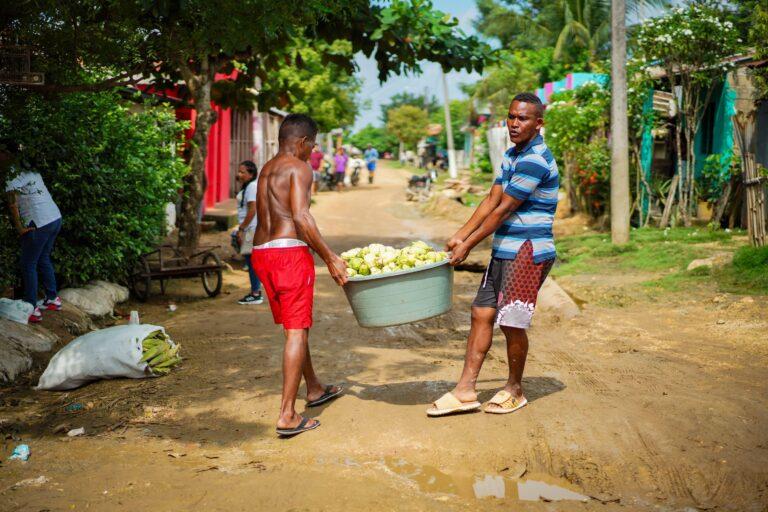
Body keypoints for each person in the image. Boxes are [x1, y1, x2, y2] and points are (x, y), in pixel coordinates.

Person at [427, 93, 558, 417]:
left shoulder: (535, 159)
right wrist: (460, 234)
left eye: (522, 118)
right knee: (481, 314)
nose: (514, 123)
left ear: (538, 123)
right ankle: (465, 391)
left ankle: (515, 389)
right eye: (511, 117)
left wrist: (469, 244)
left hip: (527, 251)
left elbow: (503, 210)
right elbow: (491, 199)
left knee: (511, 322)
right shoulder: (513, 154)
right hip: (504, 248)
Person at [251, 114, 348, 437]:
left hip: (262, 253)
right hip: (288, 253)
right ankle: (288, 415)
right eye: (313, 145)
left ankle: (314, 387)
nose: (312, 151)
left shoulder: (267, 168)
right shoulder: (300, 168)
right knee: (297, 331)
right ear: (303, 142)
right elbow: (301, 217)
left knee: (294, 328)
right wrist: (330, 257)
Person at [2, 139, 63, 323]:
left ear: (8, 154)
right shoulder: (30, 169)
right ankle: (52, 299)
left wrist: (20, 228)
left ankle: (31, 308)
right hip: (54, 218)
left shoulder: (12, 174)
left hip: (40, 223)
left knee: (28, 263)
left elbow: (12, 204)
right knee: (43, 258)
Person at [233, 160, 263, 305]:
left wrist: (242, 229)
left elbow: (252, 210)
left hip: (251, 229)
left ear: (251, 174)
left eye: (242, 172)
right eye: (239, 171)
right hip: (250, 228)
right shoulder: (248, 186)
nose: (239, 174)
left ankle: (255, 294)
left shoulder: (251, 187)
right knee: (252, 262)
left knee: (252, 263)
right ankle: (256, 291)